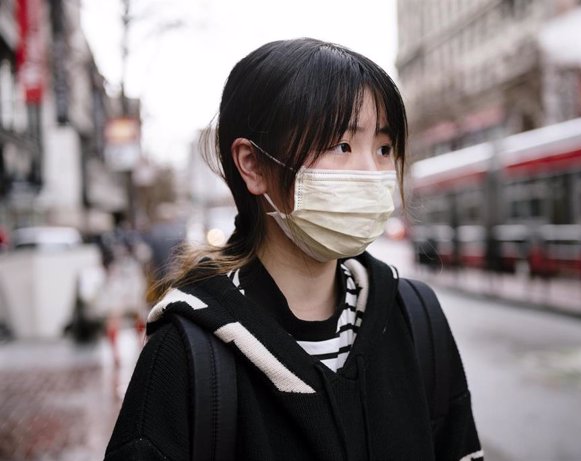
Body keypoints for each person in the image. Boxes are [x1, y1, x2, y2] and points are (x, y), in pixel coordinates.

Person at [105, 38, 482, 460]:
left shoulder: (415, 318)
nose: (372, 173)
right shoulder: (185, 355)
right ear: (252, 164)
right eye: (341, 146)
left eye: (383, 148)